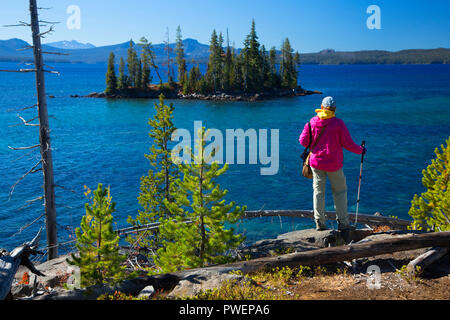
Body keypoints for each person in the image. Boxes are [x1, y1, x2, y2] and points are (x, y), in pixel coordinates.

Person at [299, 96, 365, 231]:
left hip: (316, 163)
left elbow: (303, 141)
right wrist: (361, 150)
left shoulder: (312, 122)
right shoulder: (338, 124)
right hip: (334, 164)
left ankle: (320, 222)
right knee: (340, 192)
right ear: (334, 109)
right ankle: (343, 223)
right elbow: (348, 144)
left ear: (322, 107)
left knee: (318, 192)